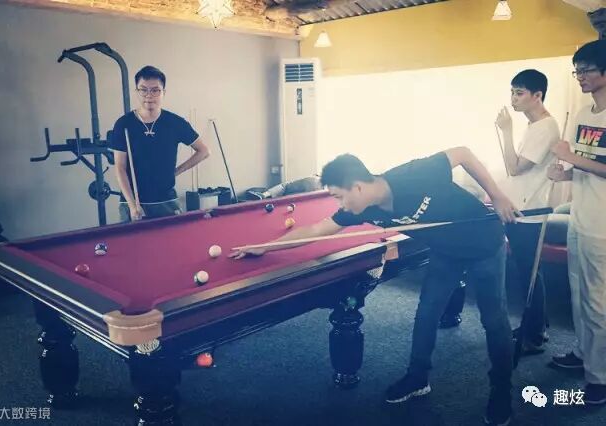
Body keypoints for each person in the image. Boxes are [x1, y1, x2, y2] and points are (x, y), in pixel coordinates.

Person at [231, 147, 519, 425]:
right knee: (427, 313)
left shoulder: (414, 174)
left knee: (493, 321)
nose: (340, 205)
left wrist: (497, 196)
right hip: (446, 251)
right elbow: (316, 229)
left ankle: (501, 391)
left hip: (484, 242)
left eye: (339, 196)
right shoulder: (360, 208)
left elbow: (463, 153)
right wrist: (266, 247)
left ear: (357, 187)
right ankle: (417, 378)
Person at [547, 39, 606, 405]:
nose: (580, 76)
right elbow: (588, 168)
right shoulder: (584, 112)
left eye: (586, 70)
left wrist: (570, 158)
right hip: (579, 218)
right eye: (577, 70)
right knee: (578, 294)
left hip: (603, 227)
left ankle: (600, 378)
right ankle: (584, 355)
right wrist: (565, 174)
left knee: (599, 303)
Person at [494, 69, 560, 355]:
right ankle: (537, 326)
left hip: (529, 213)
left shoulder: (545, 126)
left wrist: (506, 131)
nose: (513, 98)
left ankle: (534, 335)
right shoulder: (534, 125)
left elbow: (514, 167)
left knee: (529, 274)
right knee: (529, 272)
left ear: (537, 95)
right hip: (519, 209)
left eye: (519, 93)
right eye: (512, 92)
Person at [109, 66, 210, 222]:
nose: (149, 95)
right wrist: (132, 205)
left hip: (166, 200)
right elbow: (120, 167)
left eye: (155, 90)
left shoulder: (175, 123)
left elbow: (203, 151)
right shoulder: (124, 124)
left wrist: (176, 171)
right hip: (134, 202)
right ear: (137, 92)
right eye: (143, 90)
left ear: (164, 92)